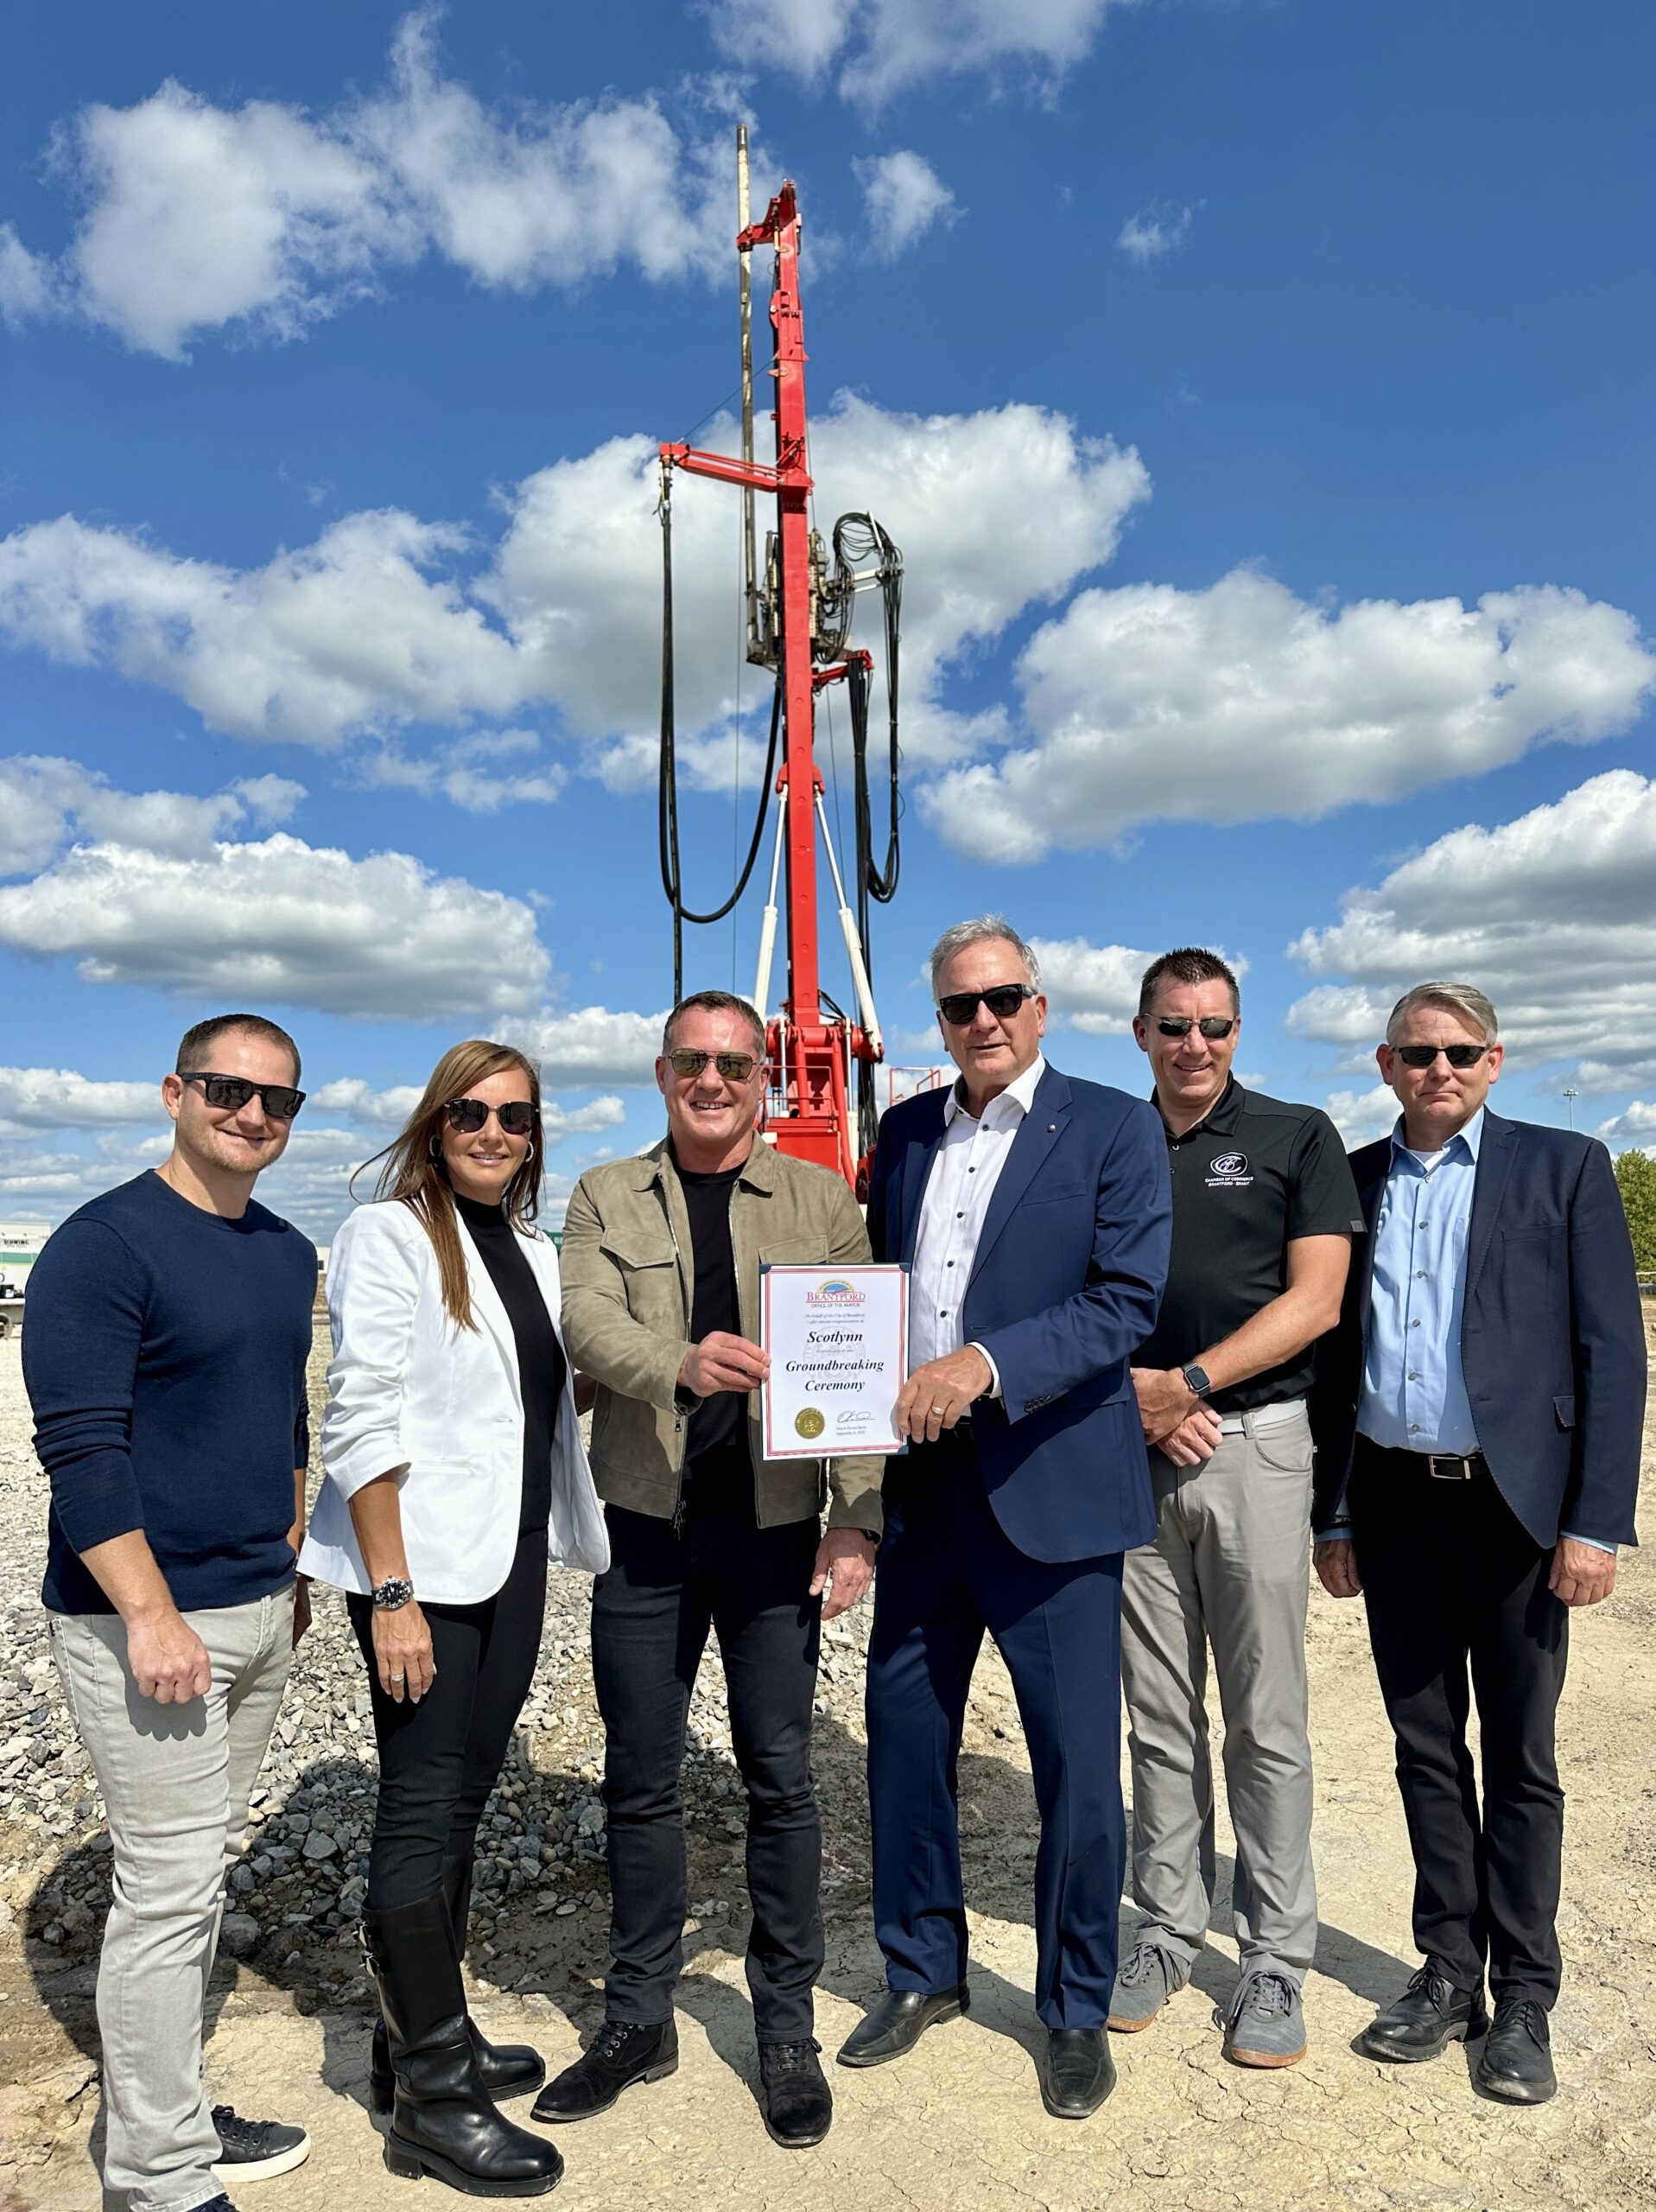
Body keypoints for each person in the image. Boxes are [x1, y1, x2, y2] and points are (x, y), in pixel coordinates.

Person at [837, 916, 1171, 2121]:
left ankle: (1074, 2005)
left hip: (1053, 1493)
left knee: (1075, 1764)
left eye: (1002, 998)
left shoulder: (1114, 1127)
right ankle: (921, 1971)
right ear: (938, 1021)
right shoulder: (904, 1133)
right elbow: (870, 1292)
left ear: (1039, 1007)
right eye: (958, 1005)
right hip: (924, 1496)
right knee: (903, 1741)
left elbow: (1125, 1301)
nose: (981, 1020)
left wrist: (981, 1364)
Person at [552, 990, 881, 2151]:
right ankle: (638, 2017)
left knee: (780, 1778)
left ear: (766, 1080)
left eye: (735, 1065)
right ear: (661, 1072)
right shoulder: (604, 1193)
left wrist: (856, 1521)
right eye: (691, 1061)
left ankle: (784, 2027)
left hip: (775, 1533)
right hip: (646, 1529)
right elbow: (586, 1324)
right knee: (639, 1778)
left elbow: (859, 1368)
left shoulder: (821, 1199)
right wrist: (678, 1364)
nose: (711, 1080)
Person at [1311, 982, 1645, 2105]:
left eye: (1460, 1051)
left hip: (1516, 1514)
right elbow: (1335, 1364)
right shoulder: (1353, 1181)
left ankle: (1526, 1999)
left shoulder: (1563, 1169)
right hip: (1395, 1508)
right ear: (1385, 1064)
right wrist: (1335, 1513)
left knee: (1520, 1759)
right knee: (1423, 1750)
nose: (1438, 1069)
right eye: (1417, 1053)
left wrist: (1592, 1522)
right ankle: (1448, 1972)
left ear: (1494, 1061)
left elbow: (1613, 1354)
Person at [301, 1039, 606, 2196]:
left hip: (511, 1559)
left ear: (533, 1138)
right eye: (470, 1113)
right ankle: (431, 2104)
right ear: (435, 1126)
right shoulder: (389, 1235)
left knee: (465, 1804)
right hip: (421, 1572)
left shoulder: (531, 1248)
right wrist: (389, 1592)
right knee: (420, 1812)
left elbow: (532, 1395)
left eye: (515, 1118)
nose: (493, 1133)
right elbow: (360, 1417)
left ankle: (422, 2038)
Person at [25, 1014, 317, 2212]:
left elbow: (287, 1412)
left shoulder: (287, 1250)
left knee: (202, 1878)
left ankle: (175, 2113)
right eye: (226, 1089)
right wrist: (151, 1616)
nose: (251, 1114)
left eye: (277, 1100)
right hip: (145, 1627)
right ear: (174, 1091)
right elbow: (81, 1448)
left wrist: (291, 1558)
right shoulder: (102, 1246)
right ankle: (157, 2178)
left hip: (257, 1609)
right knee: (169, 1890)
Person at [1114, 949, 1359, 2066]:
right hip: (1130, 1451)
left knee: (1264, 1717)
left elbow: (1317, 1300)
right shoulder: (1109, 1144)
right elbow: (1075, 1293)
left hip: (1252, 1446)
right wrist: (1141, 1404)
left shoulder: (1293, 1136)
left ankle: (1273, 1959)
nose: (1194, 1045)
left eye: (1213, 1026)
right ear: (1140, 1033)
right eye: (1173, 1026)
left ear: (1237, 1032)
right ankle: (1166, 1930)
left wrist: (1190, 1386)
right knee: (1157, 1714)